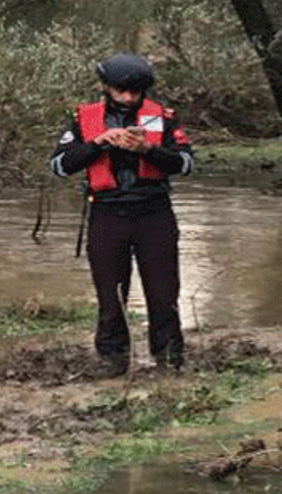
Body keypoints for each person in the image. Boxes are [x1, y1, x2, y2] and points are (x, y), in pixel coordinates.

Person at [49, 53, 194, 376]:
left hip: (153, 213)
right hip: (107, 213)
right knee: (110, 294)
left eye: (136, 92)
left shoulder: (164, 117)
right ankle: (112, 362)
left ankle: (170, 360)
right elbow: (59, 166)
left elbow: (186, 165)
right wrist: (99, 143)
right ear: (106, 88)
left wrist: (148, 151)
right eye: (121, 92)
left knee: (163, 292)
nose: (128, 98)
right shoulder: (84, 118)